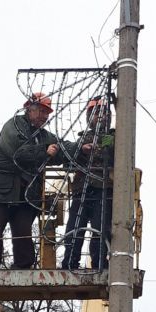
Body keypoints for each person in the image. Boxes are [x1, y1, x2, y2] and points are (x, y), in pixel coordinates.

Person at [0, 93, 66, 270]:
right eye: (42, 111)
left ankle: (23, 265)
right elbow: (19, 153)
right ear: (29, 109)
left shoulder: (43, 136)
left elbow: (63, 148)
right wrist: (44, 152)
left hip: (26, 192)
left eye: (47, 113)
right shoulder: (13, 127)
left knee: (23, 231)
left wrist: (82, 150)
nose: (45, 116)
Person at [61, 97, 115, 270]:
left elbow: (108, 153)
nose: (101, 117)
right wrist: (82, 149)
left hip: (103, 189)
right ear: (89, 116)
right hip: (82, 189)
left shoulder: (110, 137)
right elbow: (68, 161)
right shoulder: (82, 139)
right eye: (96, 113)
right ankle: (70, 262)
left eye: (104, 113)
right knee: (75, 228)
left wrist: (94, 148)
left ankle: (99, 263)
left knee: (101, 229)